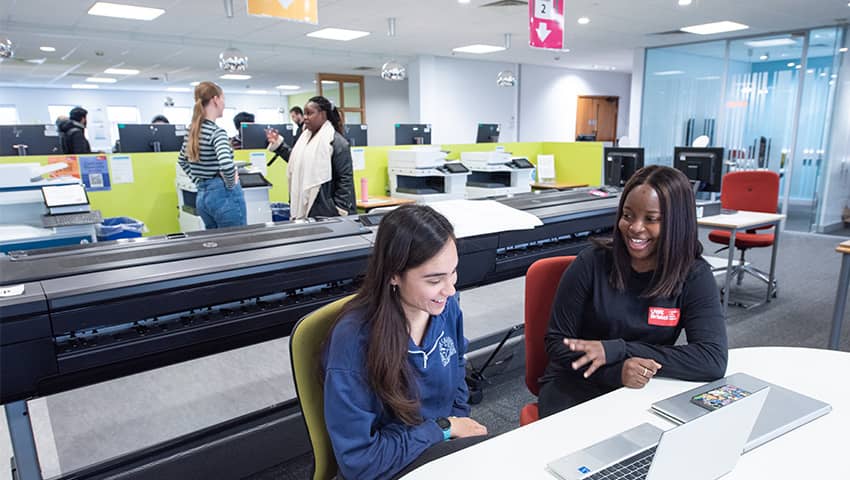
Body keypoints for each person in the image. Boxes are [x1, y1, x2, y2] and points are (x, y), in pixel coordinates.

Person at [538, 165, 728, 418]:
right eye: (628, 215)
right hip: (576, 384)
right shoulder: (591, 263)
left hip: (643, 388)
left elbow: (711, 359)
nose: (635, 228)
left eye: (651, 219)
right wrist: (616, 372)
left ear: (676, 223)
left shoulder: (693, 275)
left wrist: (621, 349)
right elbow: (557, 344)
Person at [323, 205, 488, 480]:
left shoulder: (446, 308)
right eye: (434, 279)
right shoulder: (353, 340)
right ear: (393, 275)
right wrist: (443, 428)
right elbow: (361, 462)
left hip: (436, 445)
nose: (450, 289)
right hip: (387, 466)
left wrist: (455, 434)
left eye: (453, 272)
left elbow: (458, 372)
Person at [268, 96, 355, 219]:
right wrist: (279, 145)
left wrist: (339, 208)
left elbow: (345, 179)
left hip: (327, 211)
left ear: (323, 114)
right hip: (305, 205)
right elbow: (298, 162)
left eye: (310, 113)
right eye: (304, 114)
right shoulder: (304, 139)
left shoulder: (336, 142)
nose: (305, 117)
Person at [177, 81, 247, 229]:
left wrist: (198, 181)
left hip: (202, 197)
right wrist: (230, 185)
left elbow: (182, 161)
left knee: (217, 244)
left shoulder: (192, 131)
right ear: (216, 100)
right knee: (237, 244)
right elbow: (227, 165)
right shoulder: (217, 132)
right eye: (223, 99)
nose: (224, 104)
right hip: (223, 196)